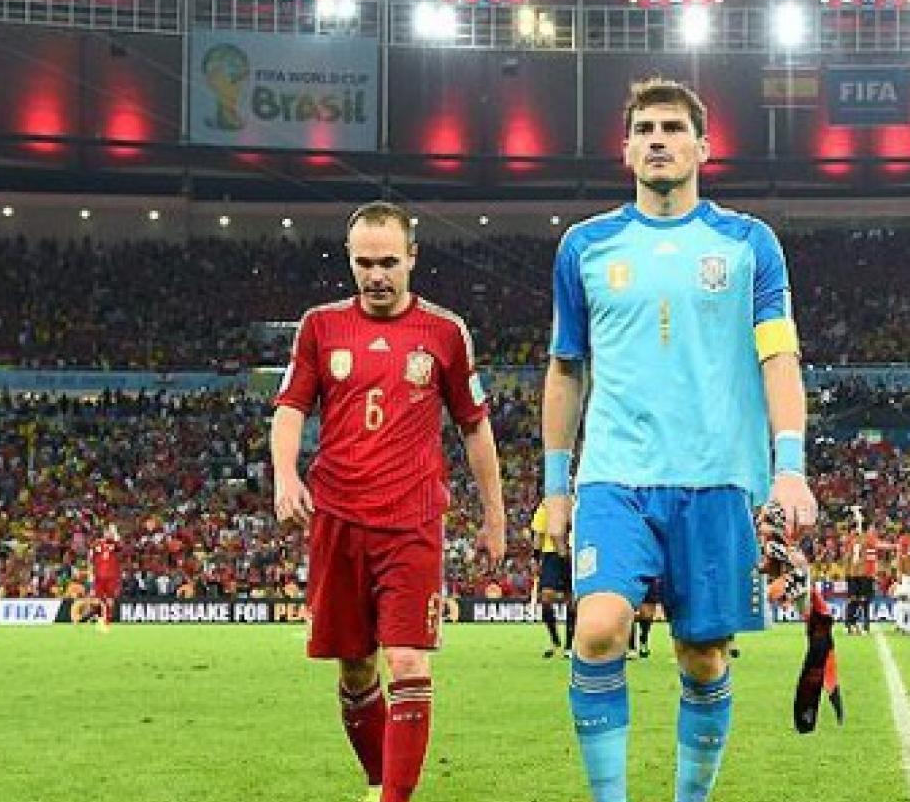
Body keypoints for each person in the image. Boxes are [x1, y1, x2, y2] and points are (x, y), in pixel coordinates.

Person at [541, 76, 817, 802]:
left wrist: (790, 467)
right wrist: (555, 488)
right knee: (598, 628)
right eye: (645, 129)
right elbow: (566, 369)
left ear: (703, 146)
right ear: (626, 148)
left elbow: (779, 358)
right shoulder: (585, 247)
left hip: (718, 478)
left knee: (702, 657)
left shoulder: (749, 245)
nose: (658, 140)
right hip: (615, 477)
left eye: (672, 128)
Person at [272, 201, 509, 802]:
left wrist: (495, 516)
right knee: (356, 667)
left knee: (407, 661)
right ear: (350, 261)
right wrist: (285, 476)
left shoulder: (445, 331)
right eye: (364, 263)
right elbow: (291, 408)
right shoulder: (320, 326)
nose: (376, 276)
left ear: (412, 258)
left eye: (388, 263)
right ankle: (382, 782)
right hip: (337, 517)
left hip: (411, 520)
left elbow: (475, 426)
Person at [532, 503, 575, 660]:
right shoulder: (545, 507)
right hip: (551, 555)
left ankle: (570, 645)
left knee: (572, 600)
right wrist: (536, 558)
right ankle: (555, 640)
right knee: (546, 596)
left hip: (574, 552)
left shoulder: (578, 504)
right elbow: (538, 534)